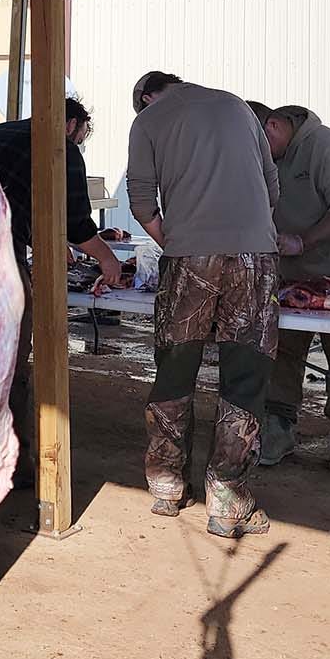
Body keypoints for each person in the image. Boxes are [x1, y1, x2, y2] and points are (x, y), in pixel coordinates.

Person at [126, 70, 280, 532]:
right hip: (255, 255)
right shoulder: (237, 104)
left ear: (149, 96)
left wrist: (173, 239)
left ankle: (168, 485)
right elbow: (272, 187)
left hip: (188, 257)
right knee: (246, 372)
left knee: (175, 365)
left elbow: (141, 202)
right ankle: (228, 501)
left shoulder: (148, 121)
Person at [0, 98, 123, 486]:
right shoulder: (63, 149)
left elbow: (12, 195)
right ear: (71, 124)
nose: (80, 140)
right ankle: (11, 464)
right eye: (82, 133)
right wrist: (108, 260)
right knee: (11, 367)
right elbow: (79, 224)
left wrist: (48, 237)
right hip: (1, 264)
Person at [254, 104, 330, 475]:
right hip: (289, 275)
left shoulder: (325, 145)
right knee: (281, 351)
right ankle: (279, 427)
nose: (257, 154)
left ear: (273, 126)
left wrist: (304, 241)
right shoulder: (261, 152)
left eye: (260, 143)